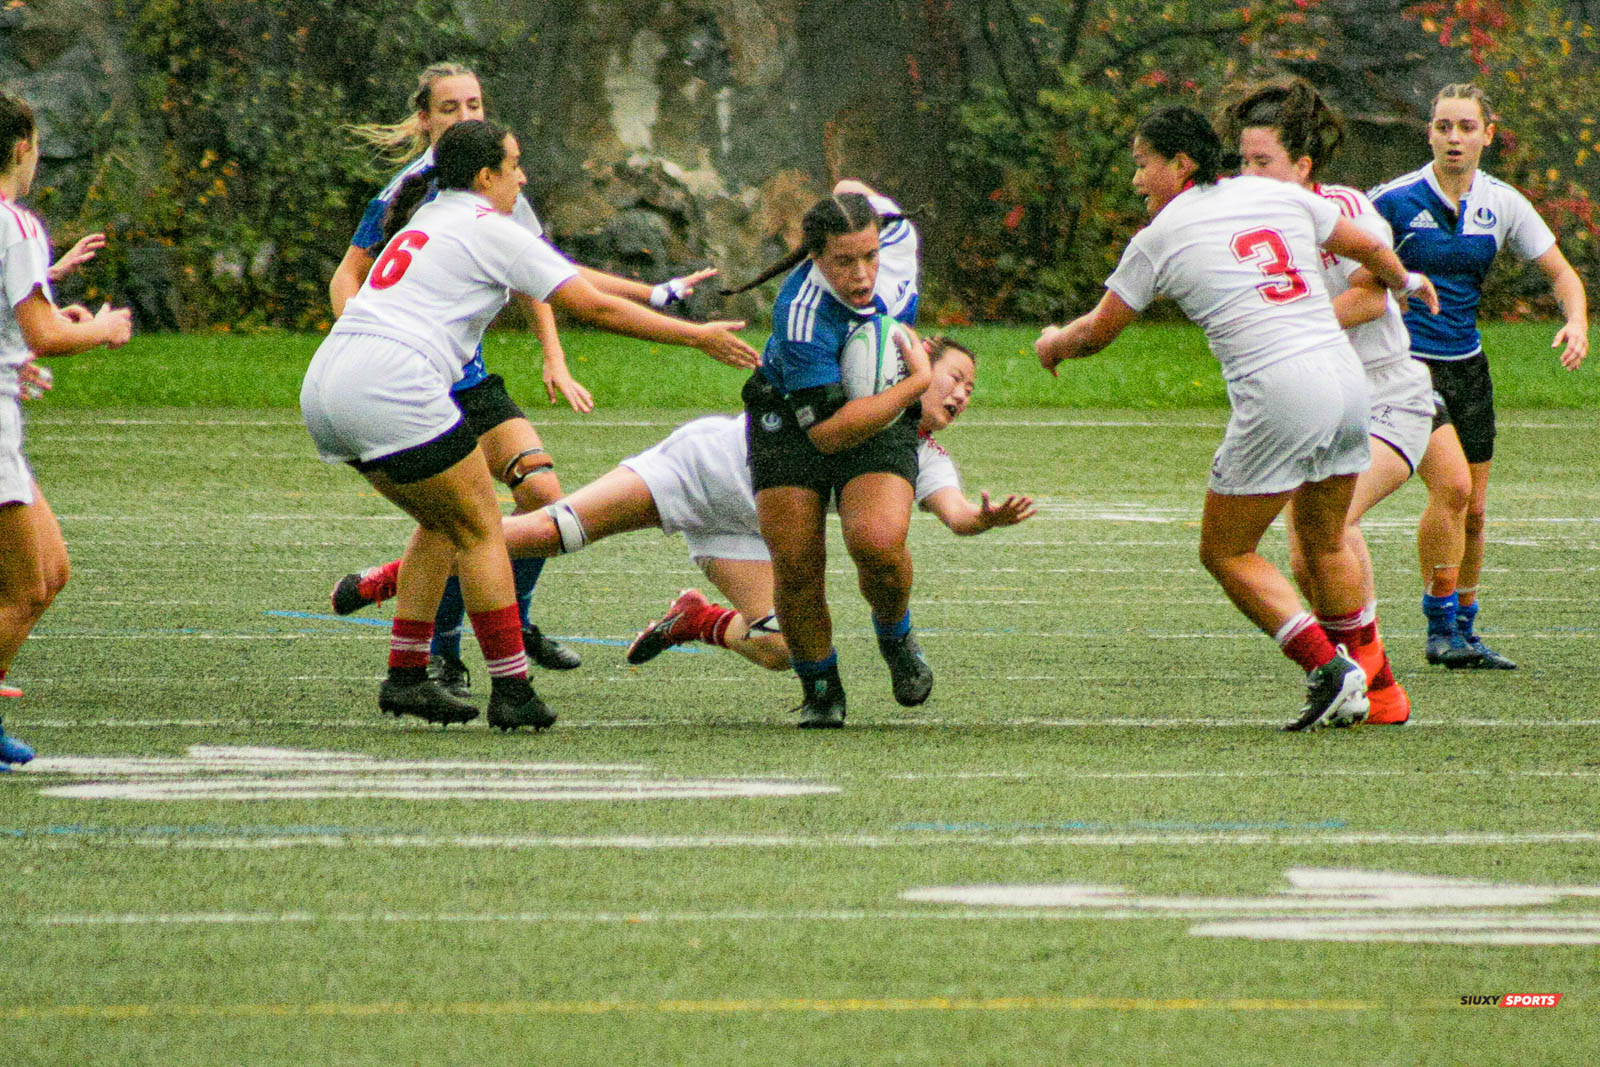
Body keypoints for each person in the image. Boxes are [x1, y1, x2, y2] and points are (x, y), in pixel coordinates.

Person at [300, 119, 757, 731]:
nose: (522, 177)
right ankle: (512, 689)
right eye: (513, 165)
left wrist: (655, 294)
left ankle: (406, 676)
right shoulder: (488, 225)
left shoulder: (431, 216)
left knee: (444, 520)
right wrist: (695, 337)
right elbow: (589, 305)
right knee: (482, 529)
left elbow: (566, 278)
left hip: (328, 381)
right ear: (484, 175)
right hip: (392, 382)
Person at [1036, 104, 1440, 731]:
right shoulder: (1270, 193)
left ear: (1181, 163)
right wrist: (1406, 281)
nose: (1136, 179)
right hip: (1345, 379)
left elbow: (1097, 331)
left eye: (1142, 164)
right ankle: (1376, 687)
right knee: (1325, 539)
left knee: (1226, 551)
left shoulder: (1160, 236)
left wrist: (1053, 345)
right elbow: (1367, 245)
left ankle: (1328, 668)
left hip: (1282, 390)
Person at [329, 337, 1036, 675]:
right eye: (955, 376)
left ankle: (696, 619)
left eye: (970, 390)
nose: (961, 393)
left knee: (782, 649)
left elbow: (953, 511)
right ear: (911, 361)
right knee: (544, 532)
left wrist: (984, 518)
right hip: (695, 469)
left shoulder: (917, 455)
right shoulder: (845, 388)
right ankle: (390, 579)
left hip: (747, 533)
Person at [1218, 78, 1476, 725]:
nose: (1249, 174)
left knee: (1330, 528)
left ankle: (1373, 683)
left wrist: (1290, 329)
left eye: (1263, 161)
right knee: (1307, 552)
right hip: (1317, 400)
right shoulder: (1246, 223)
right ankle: (1368, 680)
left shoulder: (1344, 207)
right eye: (1243, 162)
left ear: (1303, 165)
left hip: (1387, 393)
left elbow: (1370, 293)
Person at [1370, 83, 1590, 670]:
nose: (1454, 138)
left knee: (1474, 510)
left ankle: (1464, 629)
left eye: (1466, 127)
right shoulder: (1392, 201)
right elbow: (1342, 259)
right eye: (1443, 126)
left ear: (1487, 135)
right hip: (1408, 369)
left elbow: (1562, 274)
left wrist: (1576, 322)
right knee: (1453, 490)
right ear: (1429, 133)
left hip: (1468, 367)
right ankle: (1439, 626)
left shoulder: (1502, 202)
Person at [718, 182, 931, 727]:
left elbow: (852, 191)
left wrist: (850, 193)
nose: (862, 275)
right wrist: (916, 385)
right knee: (795, 562)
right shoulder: (801, 314)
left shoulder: (898, 240)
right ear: (813, 256)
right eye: (843, 262)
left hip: (878, 406)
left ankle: (895, 635)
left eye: (869, 256)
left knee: (878, 542)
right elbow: (828, 436)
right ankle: (820, 686)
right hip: (795, 421)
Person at [0, 89, 134, 766]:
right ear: (23, 148)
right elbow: (43, 334)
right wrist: (103, 328)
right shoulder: (16, 224)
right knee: (26, 587)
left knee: (50, 572)